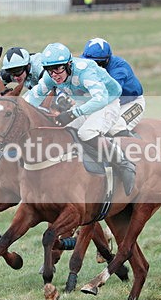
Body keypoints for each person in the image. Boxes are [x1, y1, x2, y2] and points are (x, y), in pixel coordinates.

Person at [24, 42, 136, 194]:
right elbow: (32, 97)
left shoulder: (85, 72)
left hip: (107, 102)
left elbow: (100, 99)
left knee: (86, 133)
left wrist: (73, 113)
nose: (54, 74)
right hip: (85, 103)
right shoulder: (52, 77)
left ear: (69, 64)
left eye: (58, 68)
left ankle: (124, 163)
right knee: (63, 130)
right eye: (49, 70)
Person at [82, 37, 145, 136]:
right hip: (108, 104)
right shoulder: (83, 64)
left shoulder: (119, 69)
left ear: (107, 59)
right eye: (90, 62)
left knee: (115, 127)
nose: (94, 66)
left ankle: (138, 148)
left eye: (98, 63)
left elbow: (109, 93)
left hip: (131, 103)